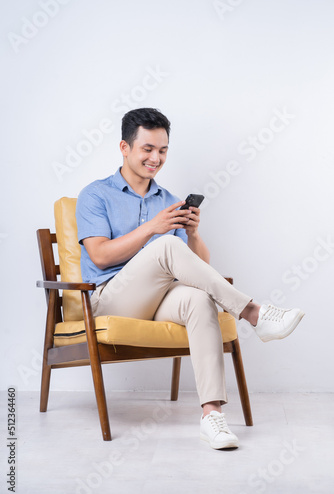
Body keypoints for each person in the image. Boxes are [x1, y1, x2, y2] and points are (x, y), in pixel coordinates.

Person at [76, 107, 304, 450]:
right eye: (148, 149)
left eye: (163, 150)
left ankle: (211, 417)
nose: (156, 158)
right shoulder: (95, 194)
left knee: (198, 299)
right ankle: (254, 313)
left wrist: (195, 235)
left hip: (156, 299)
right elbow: (100, 255)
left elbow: (197, 271)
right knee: (166, 243)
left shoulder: (169, 201)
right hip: (108, 298)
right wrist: (153, 228)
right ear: (124, 148)